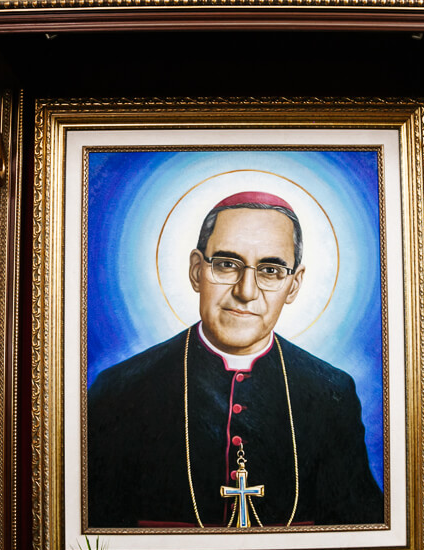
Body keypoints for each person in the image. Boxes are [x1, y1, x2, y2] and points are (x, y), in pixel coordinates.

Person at [87, 191, 383, 528]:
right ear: (197, 271)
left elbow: (359, 531)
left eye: (270, 270)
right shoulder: (120, 391)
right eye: (227, 264)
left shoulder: (332, 392)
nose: (246, 291)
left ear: (294, 285)